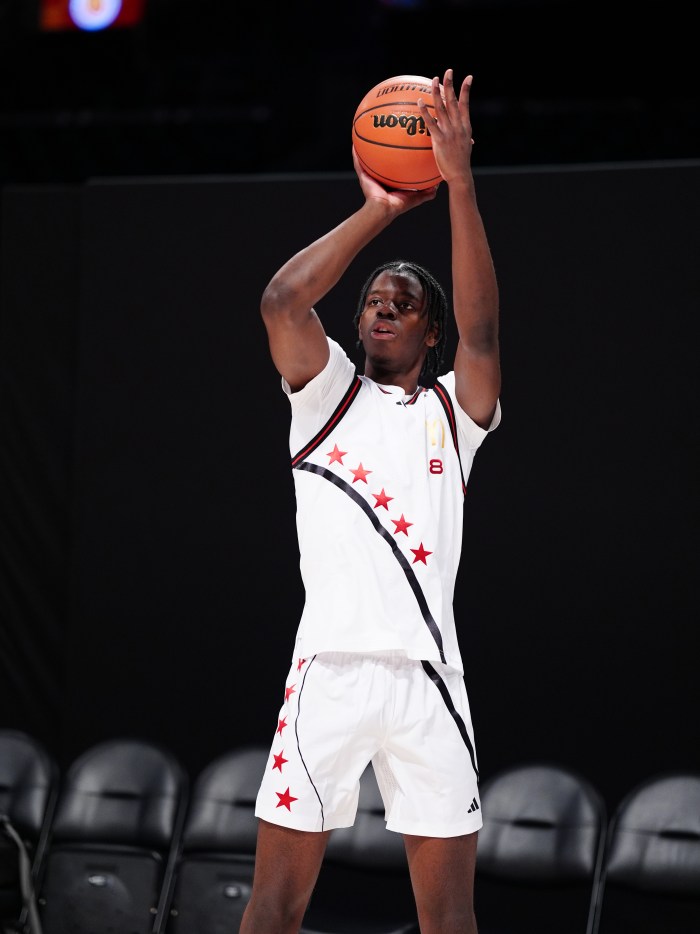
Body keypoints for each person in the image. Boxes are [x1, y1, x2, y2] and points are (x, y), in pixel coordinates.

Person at [240, 68, 501, 934]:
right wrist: (381, 211)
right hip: (330, 673)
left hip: (432, 680)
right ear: (357, 327)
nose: (385, 309)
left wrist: (457, 183)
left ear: (431, 332)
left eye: (405, 302)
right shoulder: (324, 398)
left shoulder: (451, 415)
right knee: (276, 907)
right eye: (374, 303)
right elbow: (282, 298)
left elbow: (486, 331)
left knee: (449, 919)